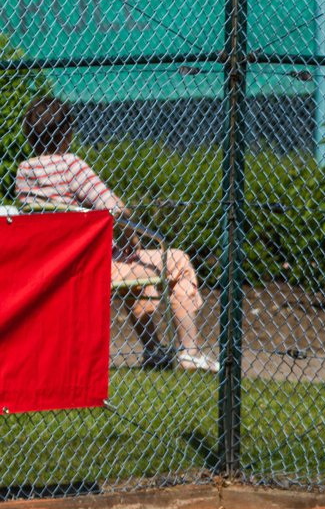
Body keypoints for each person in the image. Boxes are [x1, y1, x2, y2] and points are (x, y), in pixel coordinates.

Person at [14, 97, 218, 373]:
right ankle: (190, 352)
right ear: (67, 132)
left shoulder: (24, 171)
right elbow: (116, 209)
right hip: (93, 266)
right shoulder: (71, 165)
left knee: (139, 273)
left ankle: (154, 351)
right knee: (179, 262)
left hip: (53, 265)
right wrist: (130, 230)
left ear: (29, 134)